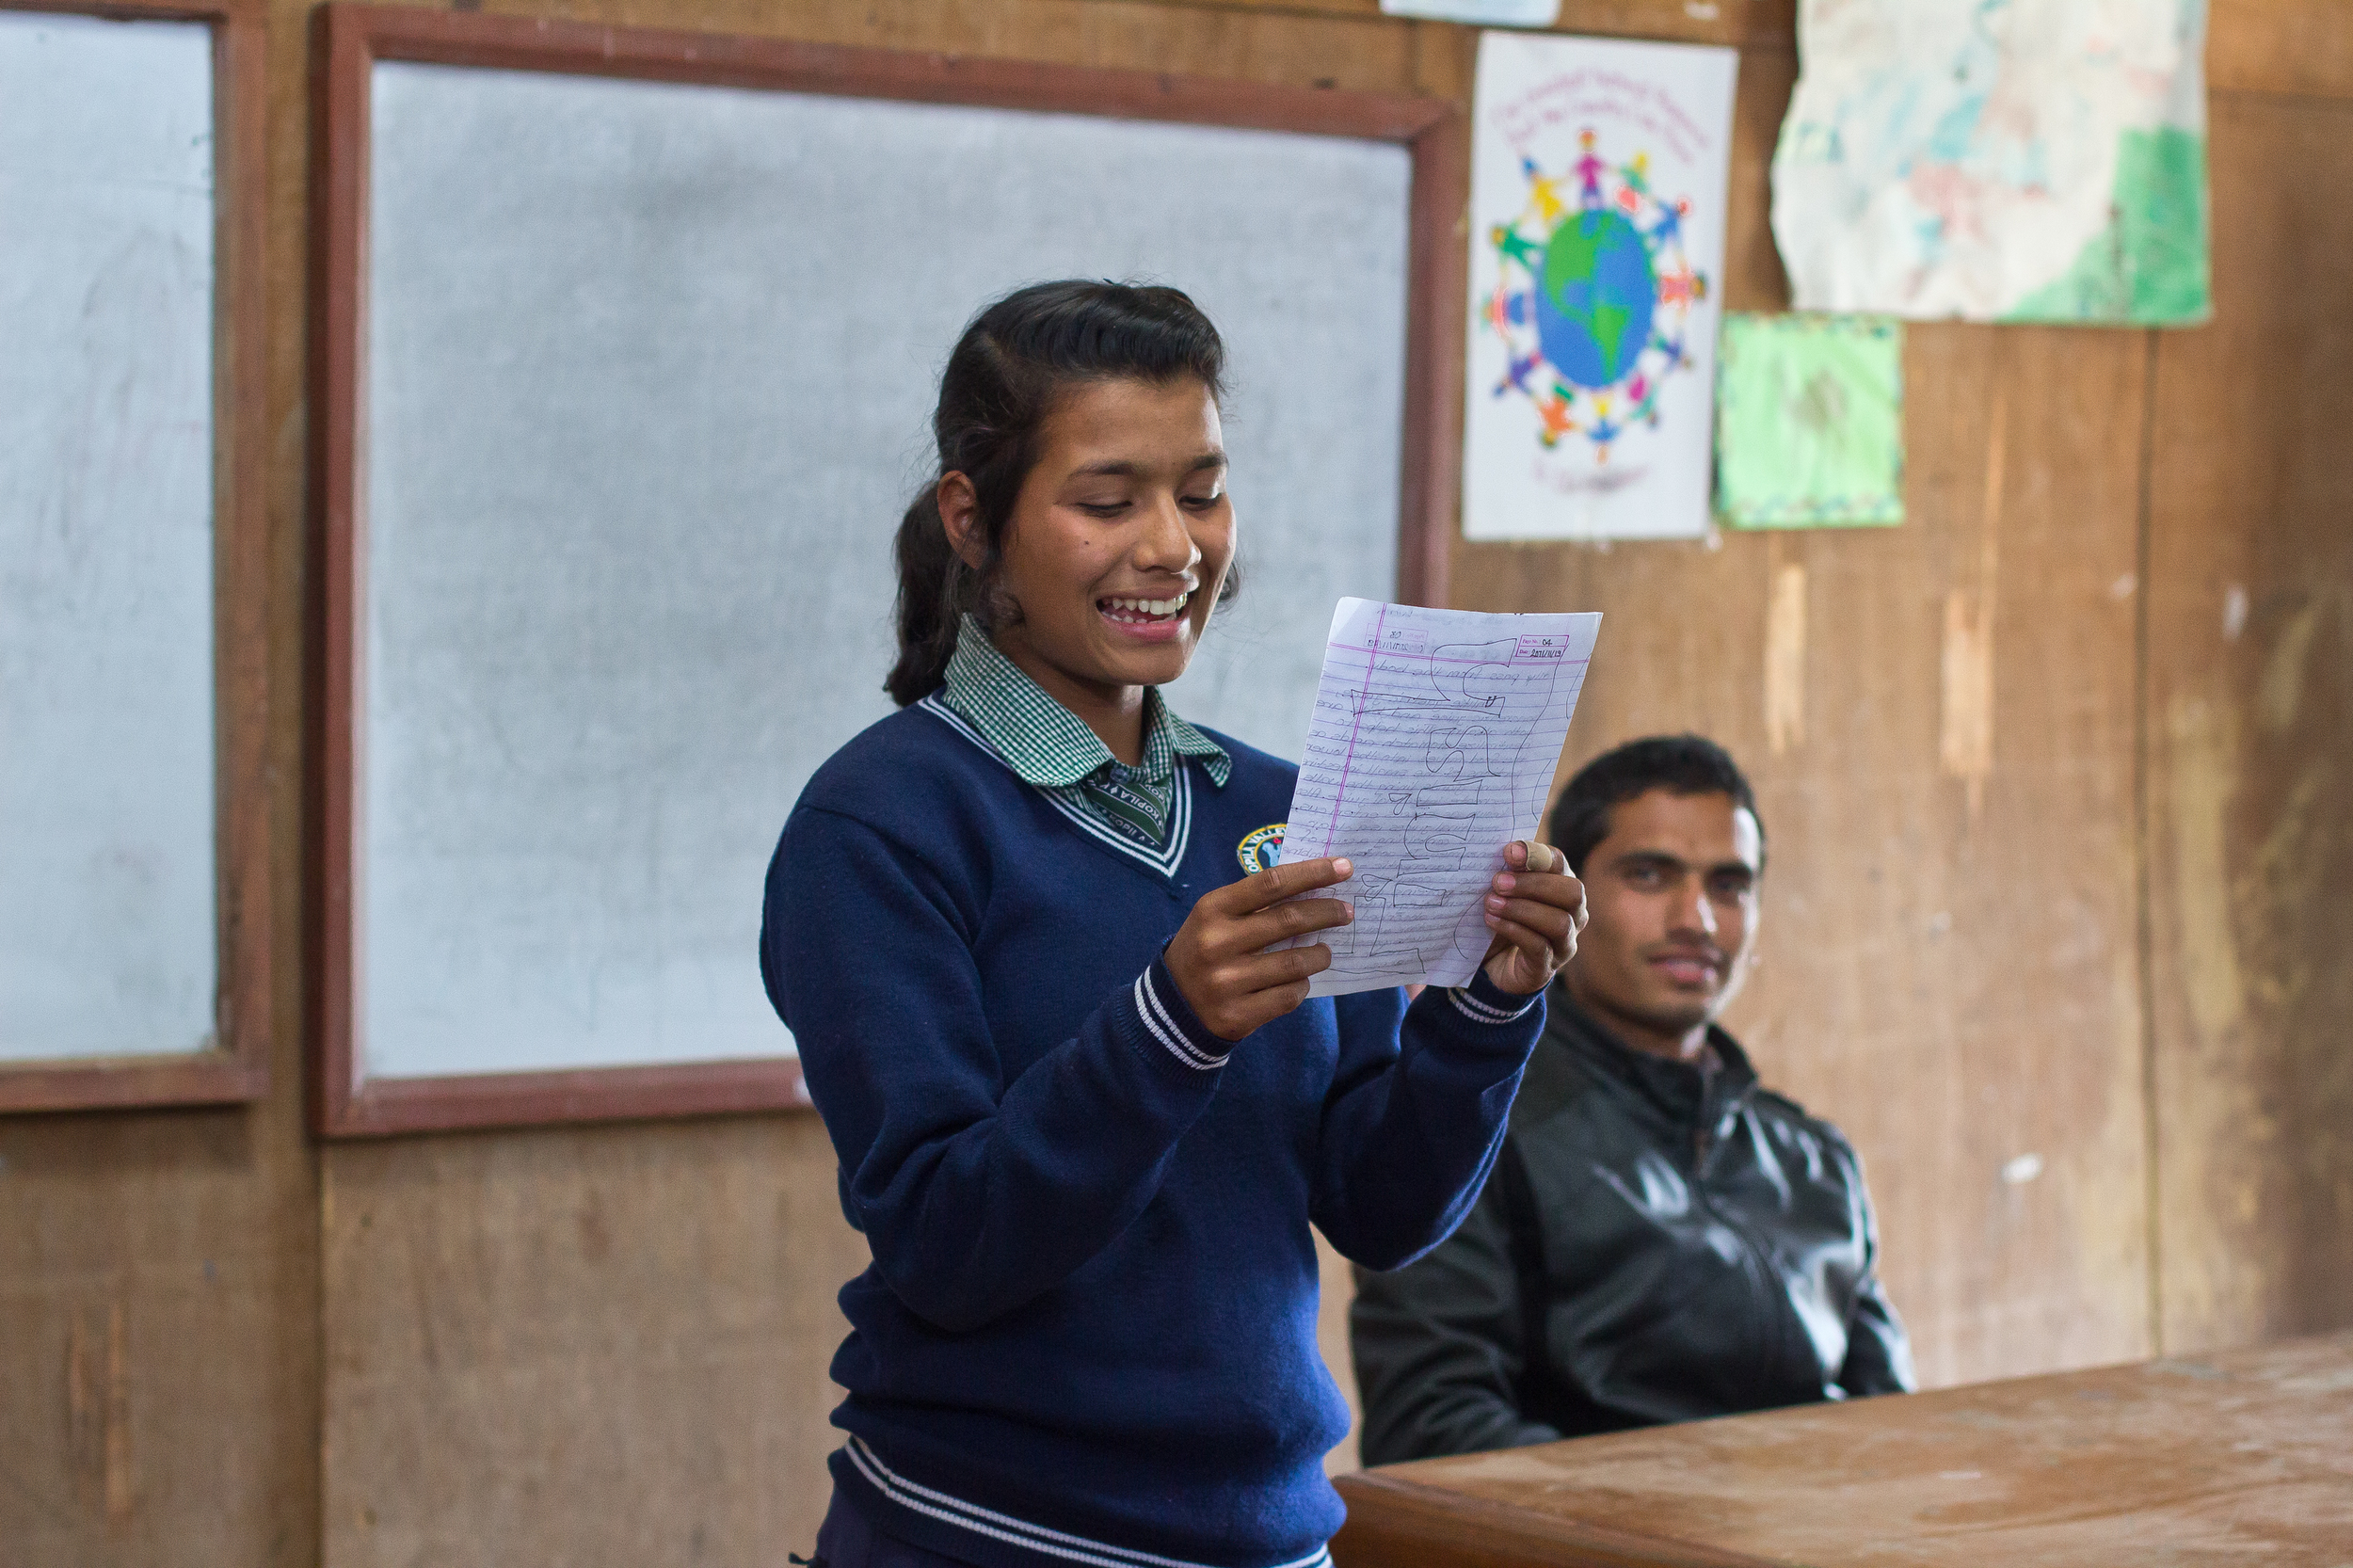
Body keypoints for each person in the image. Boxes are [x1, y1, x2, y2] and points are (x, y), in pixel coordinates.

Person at [760, 280, 1591, 1568]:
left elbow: (1381, 1210)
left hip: (1273, 1534)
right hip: (990, 1534)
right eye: (1107, 502)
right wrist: (1168, 1026)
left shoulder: (1279, 812)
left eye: (1201, 492)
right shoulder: (877, 825)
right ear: (971, 519)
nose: (1172, 547)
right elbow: (945, 1243)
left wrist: (1488, 1005)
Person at [1349, 735, 1913, 1464]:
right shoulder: (1465, 1128)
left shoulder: (1815, 1159)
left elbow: (1895, 1432)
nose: (1697, 920)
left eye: (1729, 886)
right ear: (1565, 899)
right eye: (1649, 876)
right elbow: (1431, 1432)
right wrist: (1703, 1513)